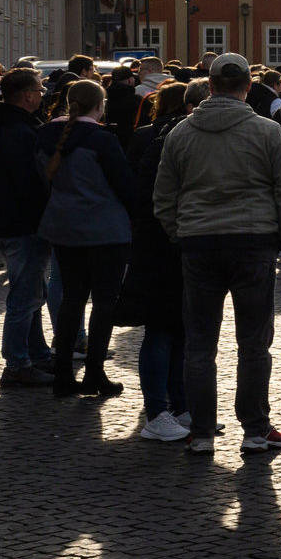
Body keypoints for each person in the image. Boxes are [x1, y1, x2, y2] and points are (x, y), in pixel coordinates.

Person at [153, 53, 281, 455]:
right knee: (254, 342)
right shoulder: (268, 132)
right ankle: (255, 428)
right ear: (248, 86)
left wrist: (180, 233)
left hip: (199, 243)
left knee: (199, 343)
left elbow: (164, 196)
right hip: (253, 241)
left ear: (211, 83)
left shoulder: (181, 134)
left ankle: (201, 431)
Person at [33, 80, 138, 399]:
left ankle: (63, 372)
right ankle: (94, 371)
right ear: (99, 105)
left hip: (64, 224)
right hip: (106, 229)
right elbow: (124, 185)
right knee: (104, 302)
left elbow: (41, 178)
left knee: (72, 298)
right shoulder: (102, 139)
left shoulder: (46, 135)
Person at [110, 82, 192, 441]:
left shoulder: (146, 135)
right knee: (164, 329)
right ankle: (160, 409)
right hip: (165, 243)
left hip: (156, 241)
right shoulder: (173, 140)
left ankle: (178, 405)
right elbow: (146, 194)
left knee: (175, 329)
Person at [0, 67, 61, 388]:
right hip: (22, 222)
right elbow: (29, 182)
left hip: (9, 219)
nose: (42, 96)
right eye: (40, 91)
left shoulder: (4, 125)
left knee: (32, 292)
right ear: (28, 96)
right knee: (25, 295)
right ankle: (16, 364)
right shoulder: (19, 133)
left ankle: (37, 353)